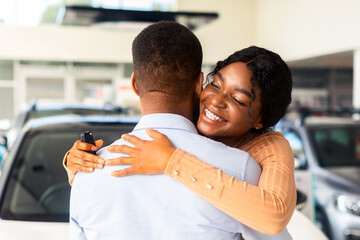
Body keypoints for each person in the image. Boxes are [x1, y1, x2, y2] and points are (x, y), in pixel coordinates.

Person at [67, 21, 292, 239]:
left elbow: (273, 215)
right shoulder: (243, 170)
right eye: (215, 85)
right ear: (200, 83)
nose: (215, 102)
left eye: (238, 99)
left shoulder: (88, 177)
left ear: (135, 84)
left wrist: (171, 161)